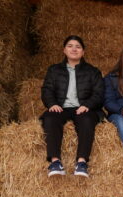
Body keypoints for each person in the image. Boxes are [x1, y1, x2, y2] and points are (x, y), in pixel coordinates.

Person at [41, 35, 103, 178]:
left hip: (83, 108)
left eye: (78, 46)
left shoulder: (93, 71)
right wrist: (52, 104)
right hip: (61, 108)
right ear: (64, 50)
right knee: (50, 118)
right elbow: (47, 90)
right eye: (70, 46)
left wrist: (87, 105)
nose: (74, 49)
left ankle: (81, 163)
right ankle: (55, 161)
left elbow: (99, 93)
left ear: (83, 52)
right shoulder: (54, 70)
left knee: (87, 120)